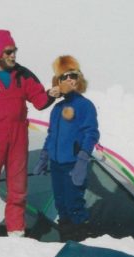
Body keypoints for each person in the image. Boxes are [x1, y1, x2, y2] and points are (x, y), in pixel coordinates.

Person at [0, 29, 60, 237]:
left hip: (18, 134)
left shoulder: (23, 74)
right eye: (8, 52)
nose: (12, 55)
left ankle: (16, 229)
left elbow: (39, 100)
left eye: (14, 51)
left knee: (18, 185)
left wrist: (51, 94)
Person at [33, 55, 100, 242]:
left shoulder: (85, 105)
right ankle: (66, 242)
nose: (69, 79)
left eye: (73, 75)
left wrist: (82, 160)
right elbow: (51, 134)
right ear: (58, 81)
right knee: (61, 204)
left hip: (73, 164)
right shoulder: (57, 108)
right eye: (64, 77)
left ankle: (81, 242)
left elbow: (91, 133)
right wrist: (44, 157)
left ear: (79, 79)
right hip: (56, 164)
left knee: (74, 204)